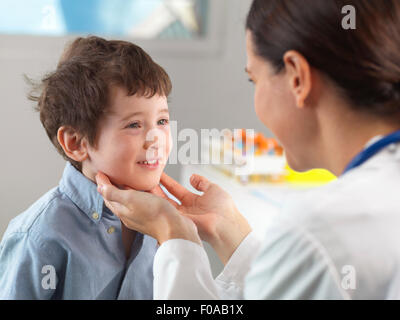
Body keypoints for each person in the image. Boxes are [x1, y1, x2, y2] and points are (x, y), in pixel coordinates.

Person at [95, 0, 400, 300]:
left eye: (254, 79)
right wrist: (230, 231)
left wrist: (174, 235)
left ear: (297, 77)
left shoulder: (318, 232)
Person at [0, 36, 172, 299]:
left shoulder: (166, 221)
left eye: (162, 120)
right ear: (76, 143)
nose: (156, 139)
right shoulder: (39, 237)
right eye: (134, 125)